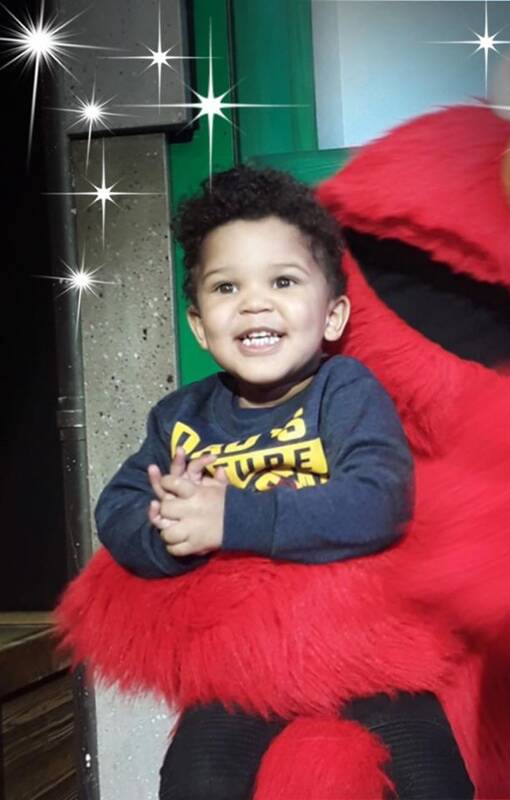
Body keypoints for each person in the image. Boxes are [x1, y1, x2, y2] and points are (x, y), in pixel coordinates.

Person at [95, 165, 474, 800]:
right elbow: (118, 506)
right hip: (245, 663)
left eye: (283, 281)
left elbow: (380, 501)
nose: (254, 302)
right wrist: (168, 534)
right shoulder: (182, 417)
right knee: (195, 776)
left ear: (332, 316)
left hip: (362, 649)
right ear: (199, 325)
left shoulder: (343, 390)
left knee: (430, 775)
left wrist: (233, 518)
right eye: (226, 287)